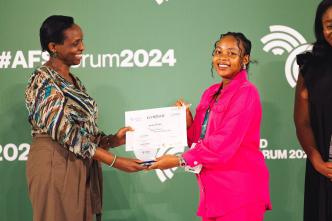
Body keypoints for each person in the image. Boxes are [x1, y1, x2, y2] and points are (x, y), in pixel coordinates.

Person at [24, 15, 145, 221]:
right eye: (75, 43)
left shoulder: (74, 80)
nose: (83, 48)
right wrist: (115, 161)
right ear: (54, 46)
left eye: (82, 41)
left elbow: (83, 130)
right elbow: (65, 134)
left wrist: (113, 140)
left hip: (79, 162)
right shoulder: (42, 80)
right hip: (56, 163)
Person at [149, 32, 272, 221]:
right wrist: (187, 122)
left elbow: (222, 144)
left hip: (239, 193)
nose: (223, 58)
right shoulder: (210, 93)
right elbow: (198, 140)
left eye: (231, 53)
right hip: (213, 193)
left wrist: (178, 160)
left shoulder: (247, 93)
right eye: (218, 52)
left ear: (244, 59)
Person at [294, 1, 332, 220]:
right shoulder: (310, 65)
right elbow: (302, 121)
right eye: (329, 25)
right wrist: (316, 158)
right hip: (323, 170)